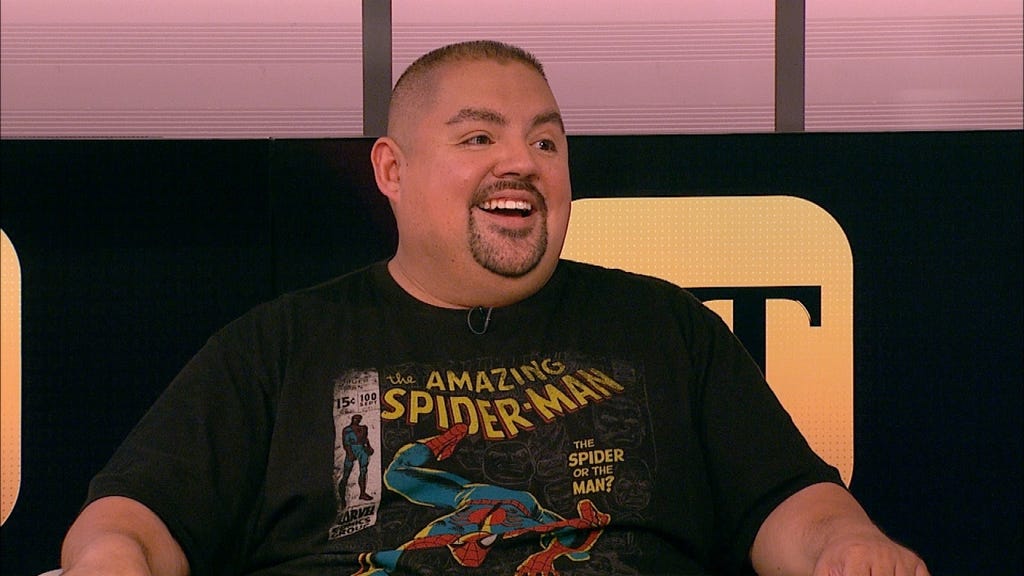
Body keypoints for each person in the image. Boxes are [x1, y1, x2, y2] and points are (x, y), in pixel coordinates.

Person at [60, 40, 929, 576]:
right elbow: (133, 517)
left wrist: (843, 548)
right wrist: (108, 559)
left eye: (545, 141)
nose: (523, 161)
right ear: (392, 170)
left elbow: (790, 503)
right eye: (479, 137)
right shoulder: (278, 347)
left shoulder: (666, 329)